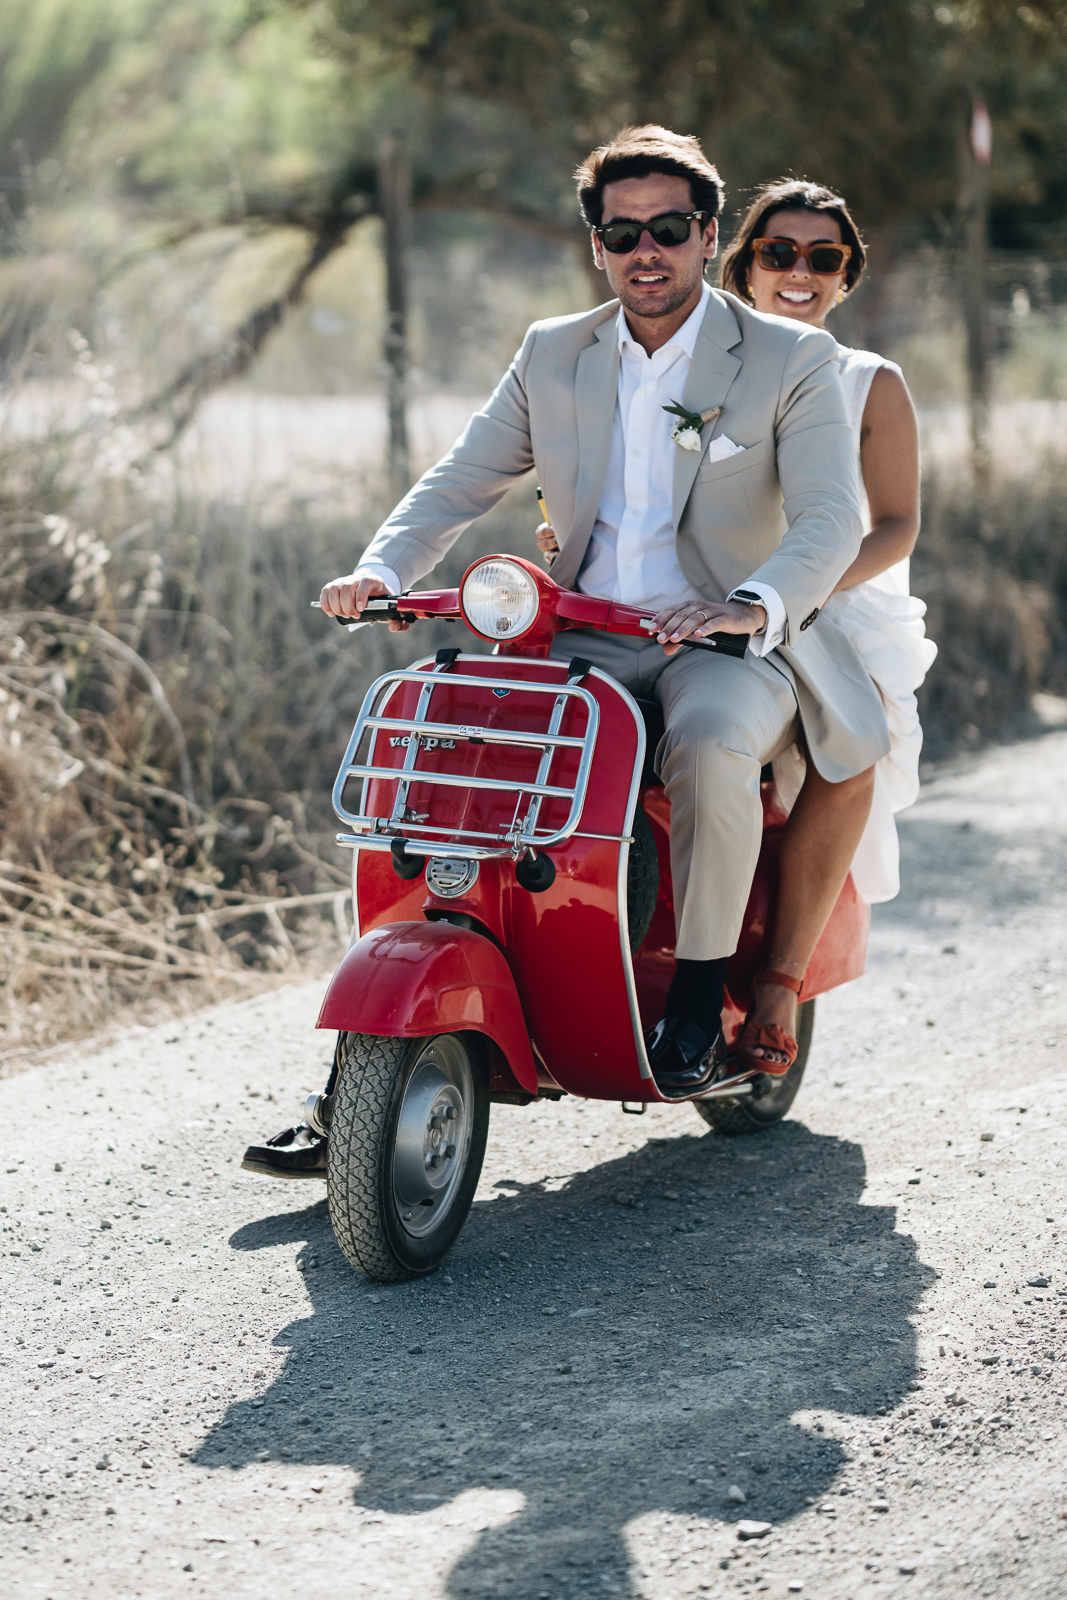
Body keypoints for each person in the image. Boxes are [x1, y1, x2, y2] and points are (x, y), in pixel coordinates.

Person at [243, 125, 892, 1179]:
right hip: (580, 632)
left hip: (720, 639)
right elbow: (459, 479)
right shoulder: (555, 350)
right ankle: (361, 1069)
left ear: (707, 234)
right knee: (447, 752)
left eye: (669, 230)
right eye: (620, 232)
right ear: (596, 244)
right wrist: (380, 568)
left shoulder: (789, 358)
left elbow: (826, 520)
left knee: (714, 743)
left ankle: (694, 992)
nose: (646, 251)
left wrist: (750, 603)